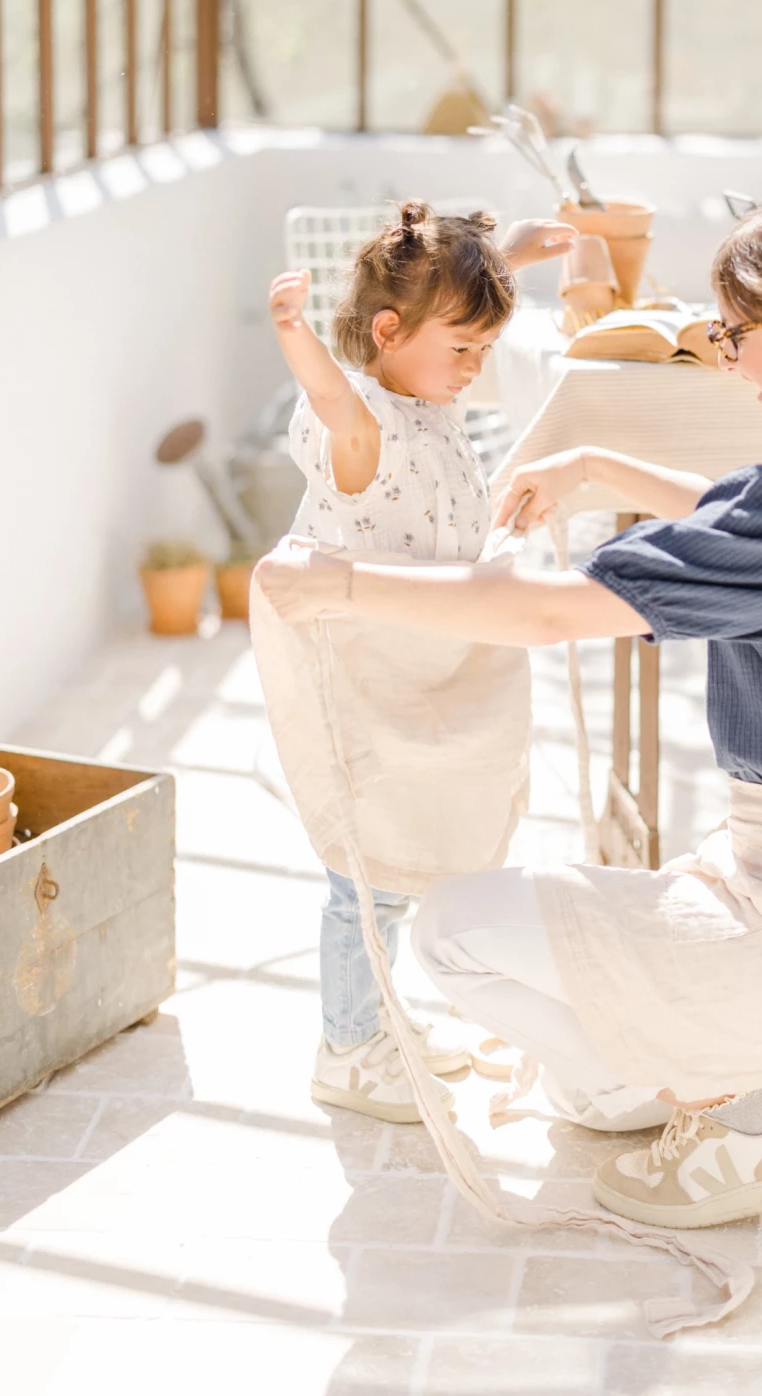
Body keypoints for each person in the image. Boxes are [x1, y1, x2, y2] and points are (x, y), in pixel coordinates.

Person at [258, 181, 762, 1229]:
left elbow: (550, 614)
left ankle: (744, 1126)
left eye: (739, 336)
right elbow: (758, 517)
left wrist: (343, 586)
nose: (726, 360)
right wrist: (598, 463)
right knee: (584, 1098)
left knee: (452, 935)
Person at [268, 199, 576, 1123]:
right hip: (366, 668)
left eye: (485, 348)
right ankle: (348, 1046)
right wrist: (295, 334)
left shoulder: (425, 395)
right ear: (389, 332)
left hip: (420, 658)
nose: (475, 368)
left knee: (407, 864)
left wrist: (508, 254)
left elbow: (440, 330)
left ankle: (380, 1021)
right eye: (464, 348)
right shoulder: (363, 425)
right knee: (368, 873)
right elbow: (335, 401)